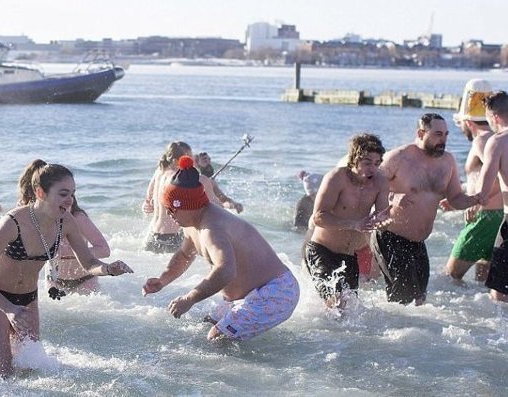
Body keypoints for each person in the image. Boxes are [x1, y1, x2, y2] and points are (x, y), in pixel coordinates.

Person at [0, 160, 133, 377]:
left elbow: (88, 263)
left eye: (72, 194)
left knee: (30, 369)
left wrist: (108, 269)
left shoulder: (66, 222)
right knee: (3, 375)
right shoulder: (13, 222)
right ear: (40, 192)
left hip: (27, 299)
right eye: (63, 194)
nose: (70, 200)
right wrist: (9, 309)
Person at [143, 156, 299, 341]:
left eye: (172, 209)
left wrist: (190, 298)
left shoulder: (213, 228)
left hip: (276, 292)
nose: (169, 214)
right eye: (167, 208)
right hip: (249, 295)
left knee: (217, 337)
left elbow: (226, 270)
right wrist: (162, 280)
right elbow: (184, 255)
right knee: (207, 324)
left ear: (189, 205)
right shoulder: (192, 224)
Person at [375, 113, 478, 305]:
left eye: (446, 134)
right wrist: (394, 197)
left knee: (419, 300)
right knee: (402, 300)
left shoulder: (448, 161)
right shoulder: (399, 157)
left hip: (418, 243)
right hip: (391, 237)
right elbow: (371, 186)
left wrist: (475, 200)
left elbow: (455, 198)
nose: (444, 139)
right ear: (421, 133)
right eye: (438, 134)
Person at [305, 134, 391, 309]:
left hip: (350, 256)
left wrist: (382, 222)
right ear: (353, 160)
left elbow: (383, 218)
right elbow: (318, 217)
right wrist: (354, 224)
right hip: (322, 252)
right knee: (335, 305)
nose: (372, 169)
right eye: (367, 162)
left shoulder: (380, 182)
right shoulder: (336, 178)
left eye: (377, 163)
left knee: (350, 311)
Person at [442, 80, 502, 285]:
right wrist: (460, 198)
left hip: (486, 216)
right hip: (497, 215)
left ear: (467, 122)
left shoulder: (482, 140)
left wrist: (476, 202)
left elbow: (495, 177)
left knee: (450, 275)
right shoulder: (495, 137)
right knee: (483, 283)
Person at [142, 142, 224, 254]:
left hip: (152, 236)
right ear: (176, 161)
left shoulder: (159, 172)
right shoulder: (179, 178)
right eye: (188, 158)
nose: (193, 161)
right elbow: (217, 206)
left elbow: (147, 202)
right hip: (172, 238)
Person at [475, 90, 508, 302]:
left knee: (500, 291)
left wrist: (471, 202)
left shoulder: (498, 142)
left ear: (494, 117)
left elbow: (483, 189)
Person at [46, 195, 110, 294]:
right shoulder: (43, 219)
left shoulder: (79, 218)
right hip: (54, 280)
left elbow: (104, 250)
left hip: (85, 279)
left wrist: (77, 251)